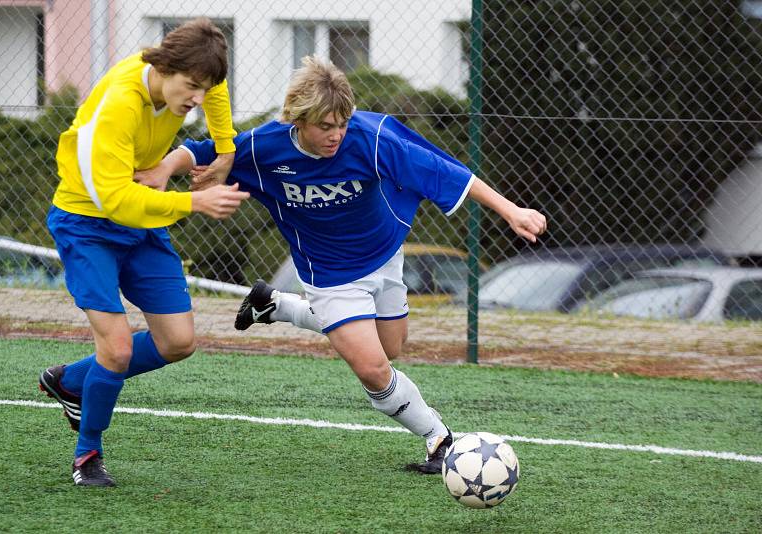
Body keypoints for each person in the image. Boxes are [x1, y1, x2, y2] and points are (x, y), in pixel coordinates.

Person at [142, 55, 547, 474]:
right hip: (328, 273)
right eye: (325, 126)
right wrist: (165, 168)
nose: (336, 135)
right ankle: (440, 440)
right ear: (298, 120)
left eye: (342, 123)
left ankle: (276, 306)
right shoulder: (267, 147)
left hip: (387, 254)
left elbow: (447, 173)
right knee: (373, 368)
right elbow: (201, 150)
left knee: (390, 349)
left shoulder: (371, 140)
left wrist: (511, 210)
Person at [38, 18, 249, 487]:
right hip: (87, 225)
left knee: (178, 341)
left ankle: (71, 381)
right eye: (190, 86)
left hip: (142, 223)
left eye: (202, 86)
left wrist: (226, 148)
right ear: (162, 66)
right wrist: (194, 201)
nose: (196, 97)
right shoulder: (118, 106)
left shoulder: (188, 82)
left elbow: (215, 89)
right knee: (114, 349)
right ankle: (86, 455)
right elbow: (115, 201)